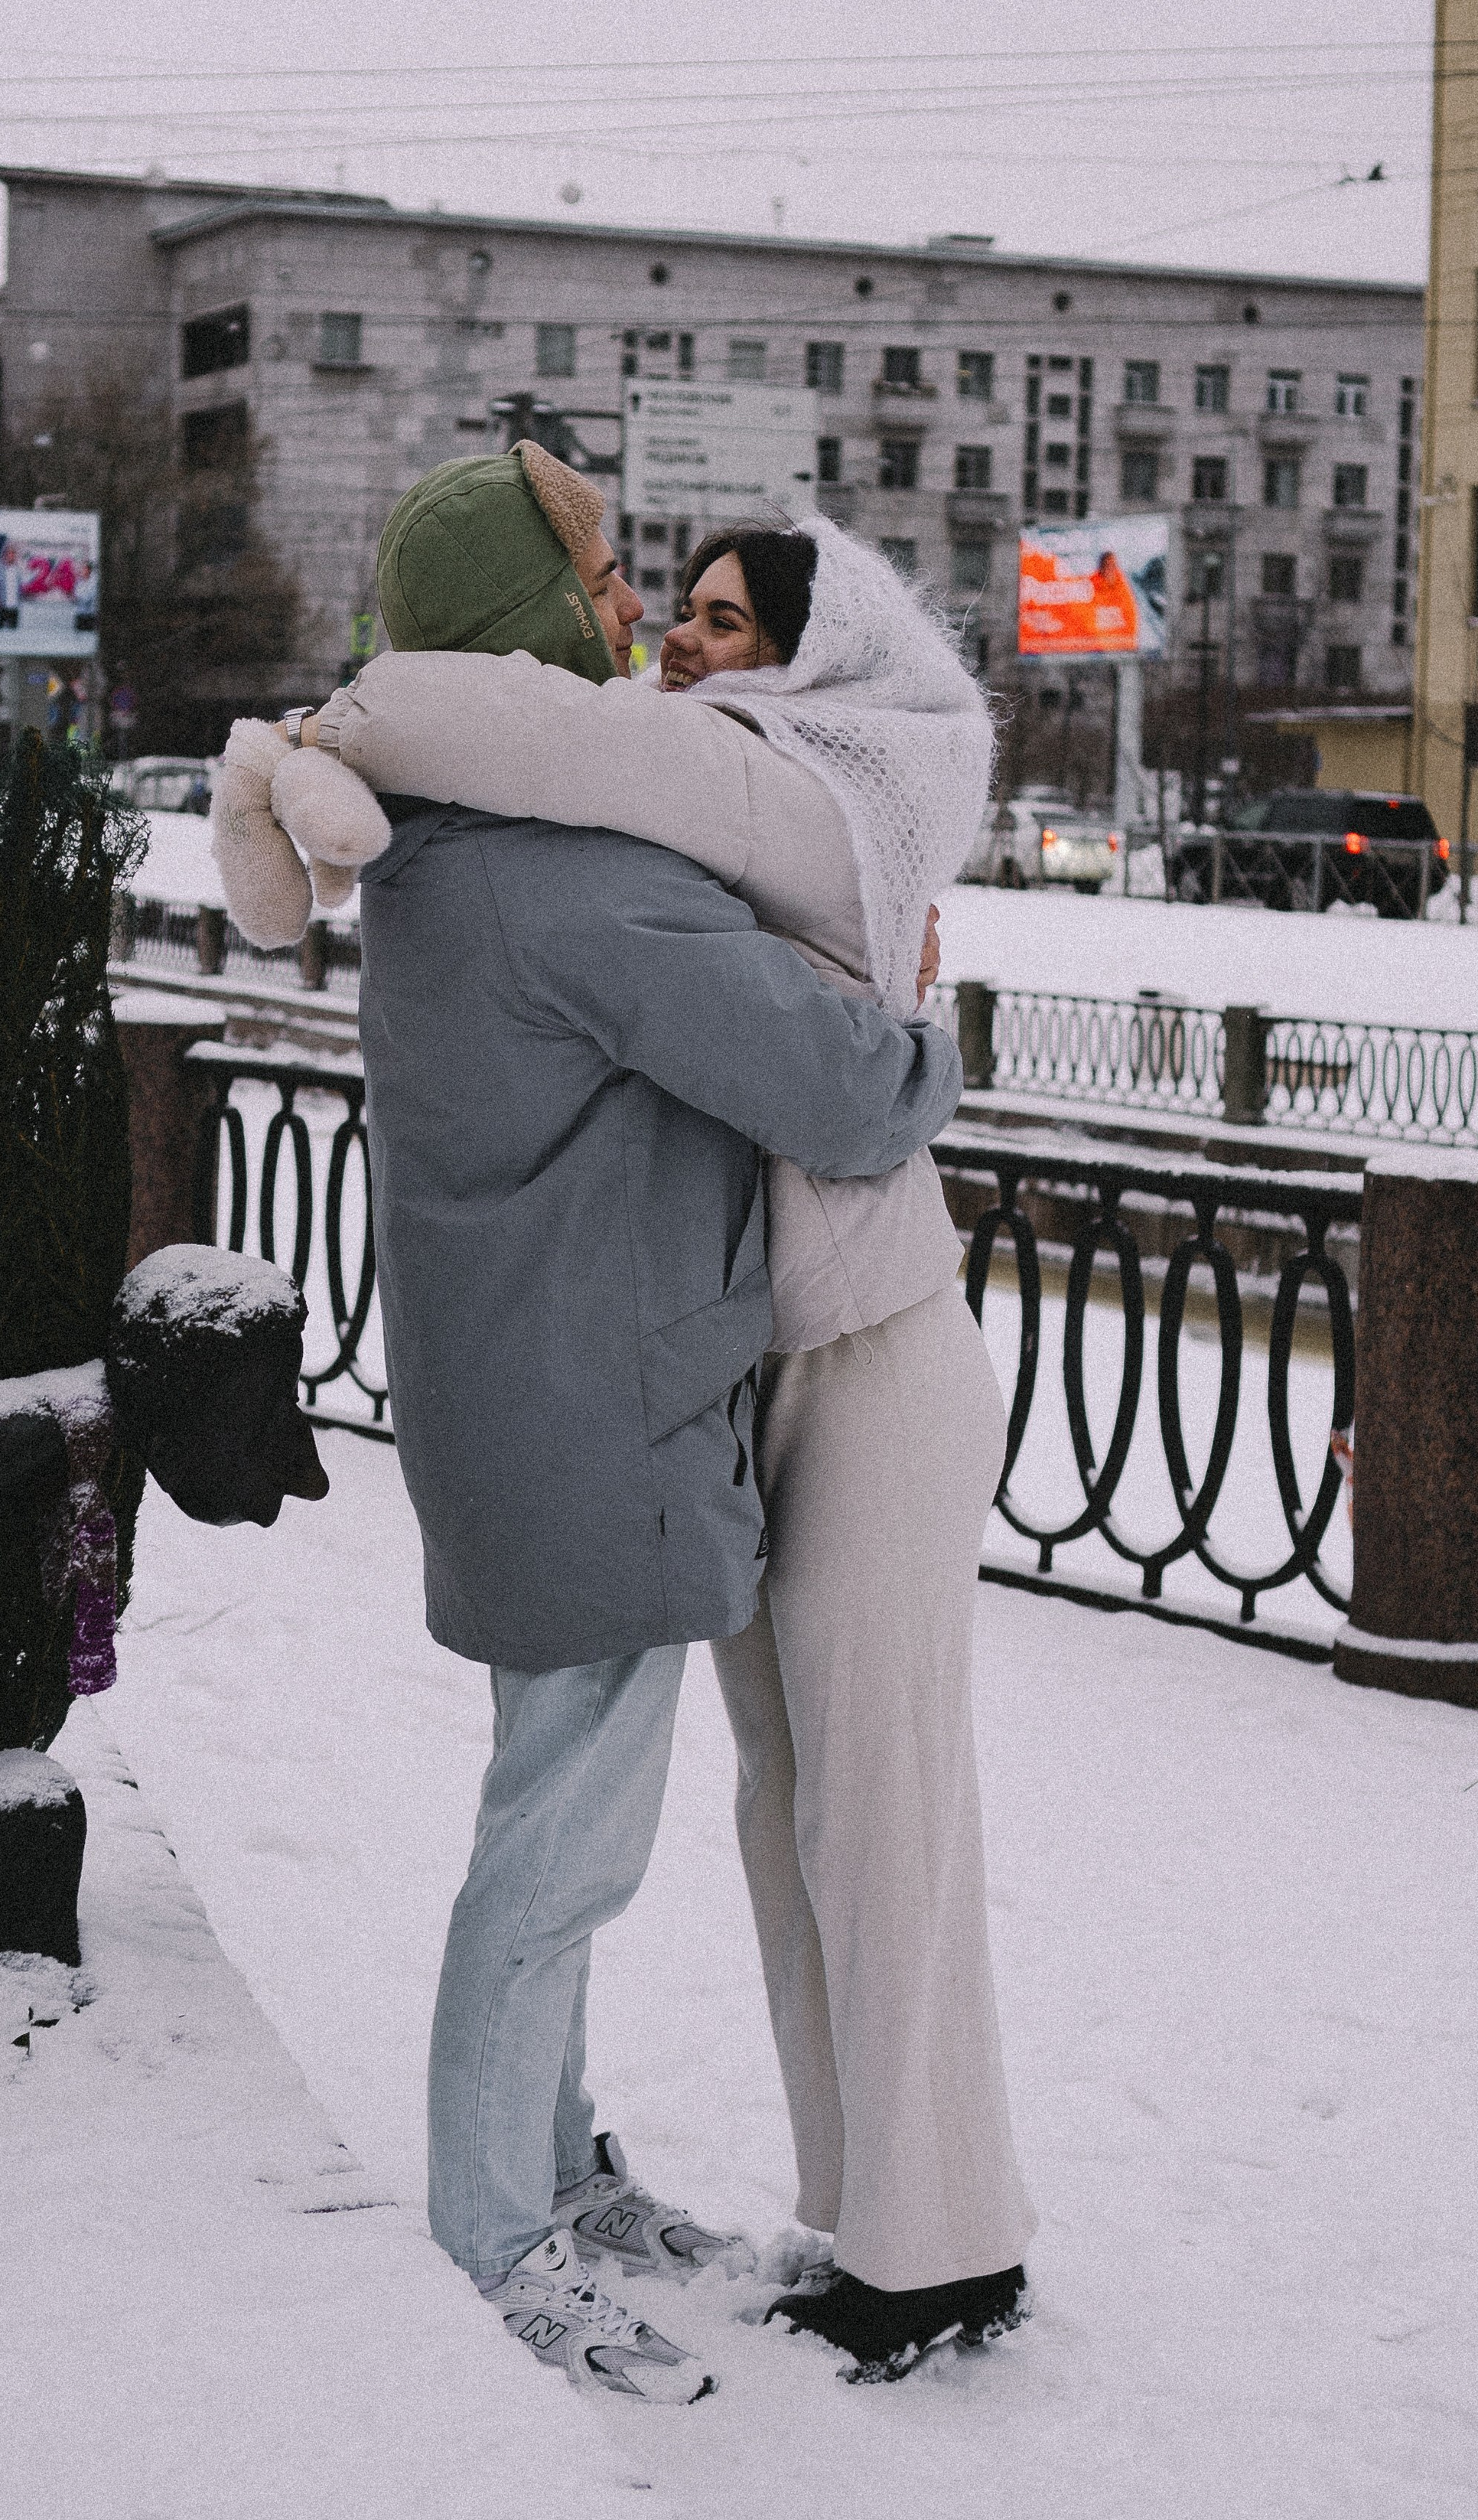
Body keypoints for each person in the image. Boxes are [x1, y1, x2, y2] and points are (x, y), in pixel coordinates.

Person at [239, 488, 1037, 2385]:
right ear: (526, 619)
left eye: (703, 610)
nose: (647, 625)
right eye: (612, 585)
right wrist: (919, 1027)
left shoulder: (492, 845)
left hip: (635, 1389)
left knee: (736, 1813)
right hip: (603, 1405)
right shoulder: (572, 874)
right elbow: (846, 1090)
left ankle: (749, 2208)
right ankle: (504, 2223)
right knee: (572, 1846)